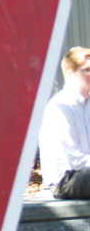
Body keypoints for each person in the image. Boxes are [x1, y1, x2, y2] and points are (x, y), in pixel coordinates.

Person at [39, 47, 90, 199]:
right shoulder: (60, 106)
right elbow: (75, 160)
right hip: (64, 181)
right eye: (86, 70)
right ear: (70, 74)